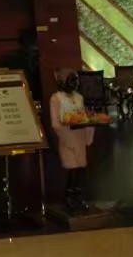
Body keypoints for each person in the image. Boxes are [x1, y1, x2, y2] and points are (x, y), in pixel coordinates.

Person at [50, 71, 95, 213]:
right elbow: (55, 123)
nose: (74, 84)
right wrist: (66, 136)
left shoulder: (79, 97)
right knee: (72, 167)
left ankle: (77, 195)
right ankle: (69, 197)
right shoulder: (56, 99)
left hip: (79, 135)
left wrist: (89, 122)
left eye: (76, 81)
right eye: (71, 80)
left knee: (80, 167)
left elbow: (83, 116)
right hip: (67, 136)